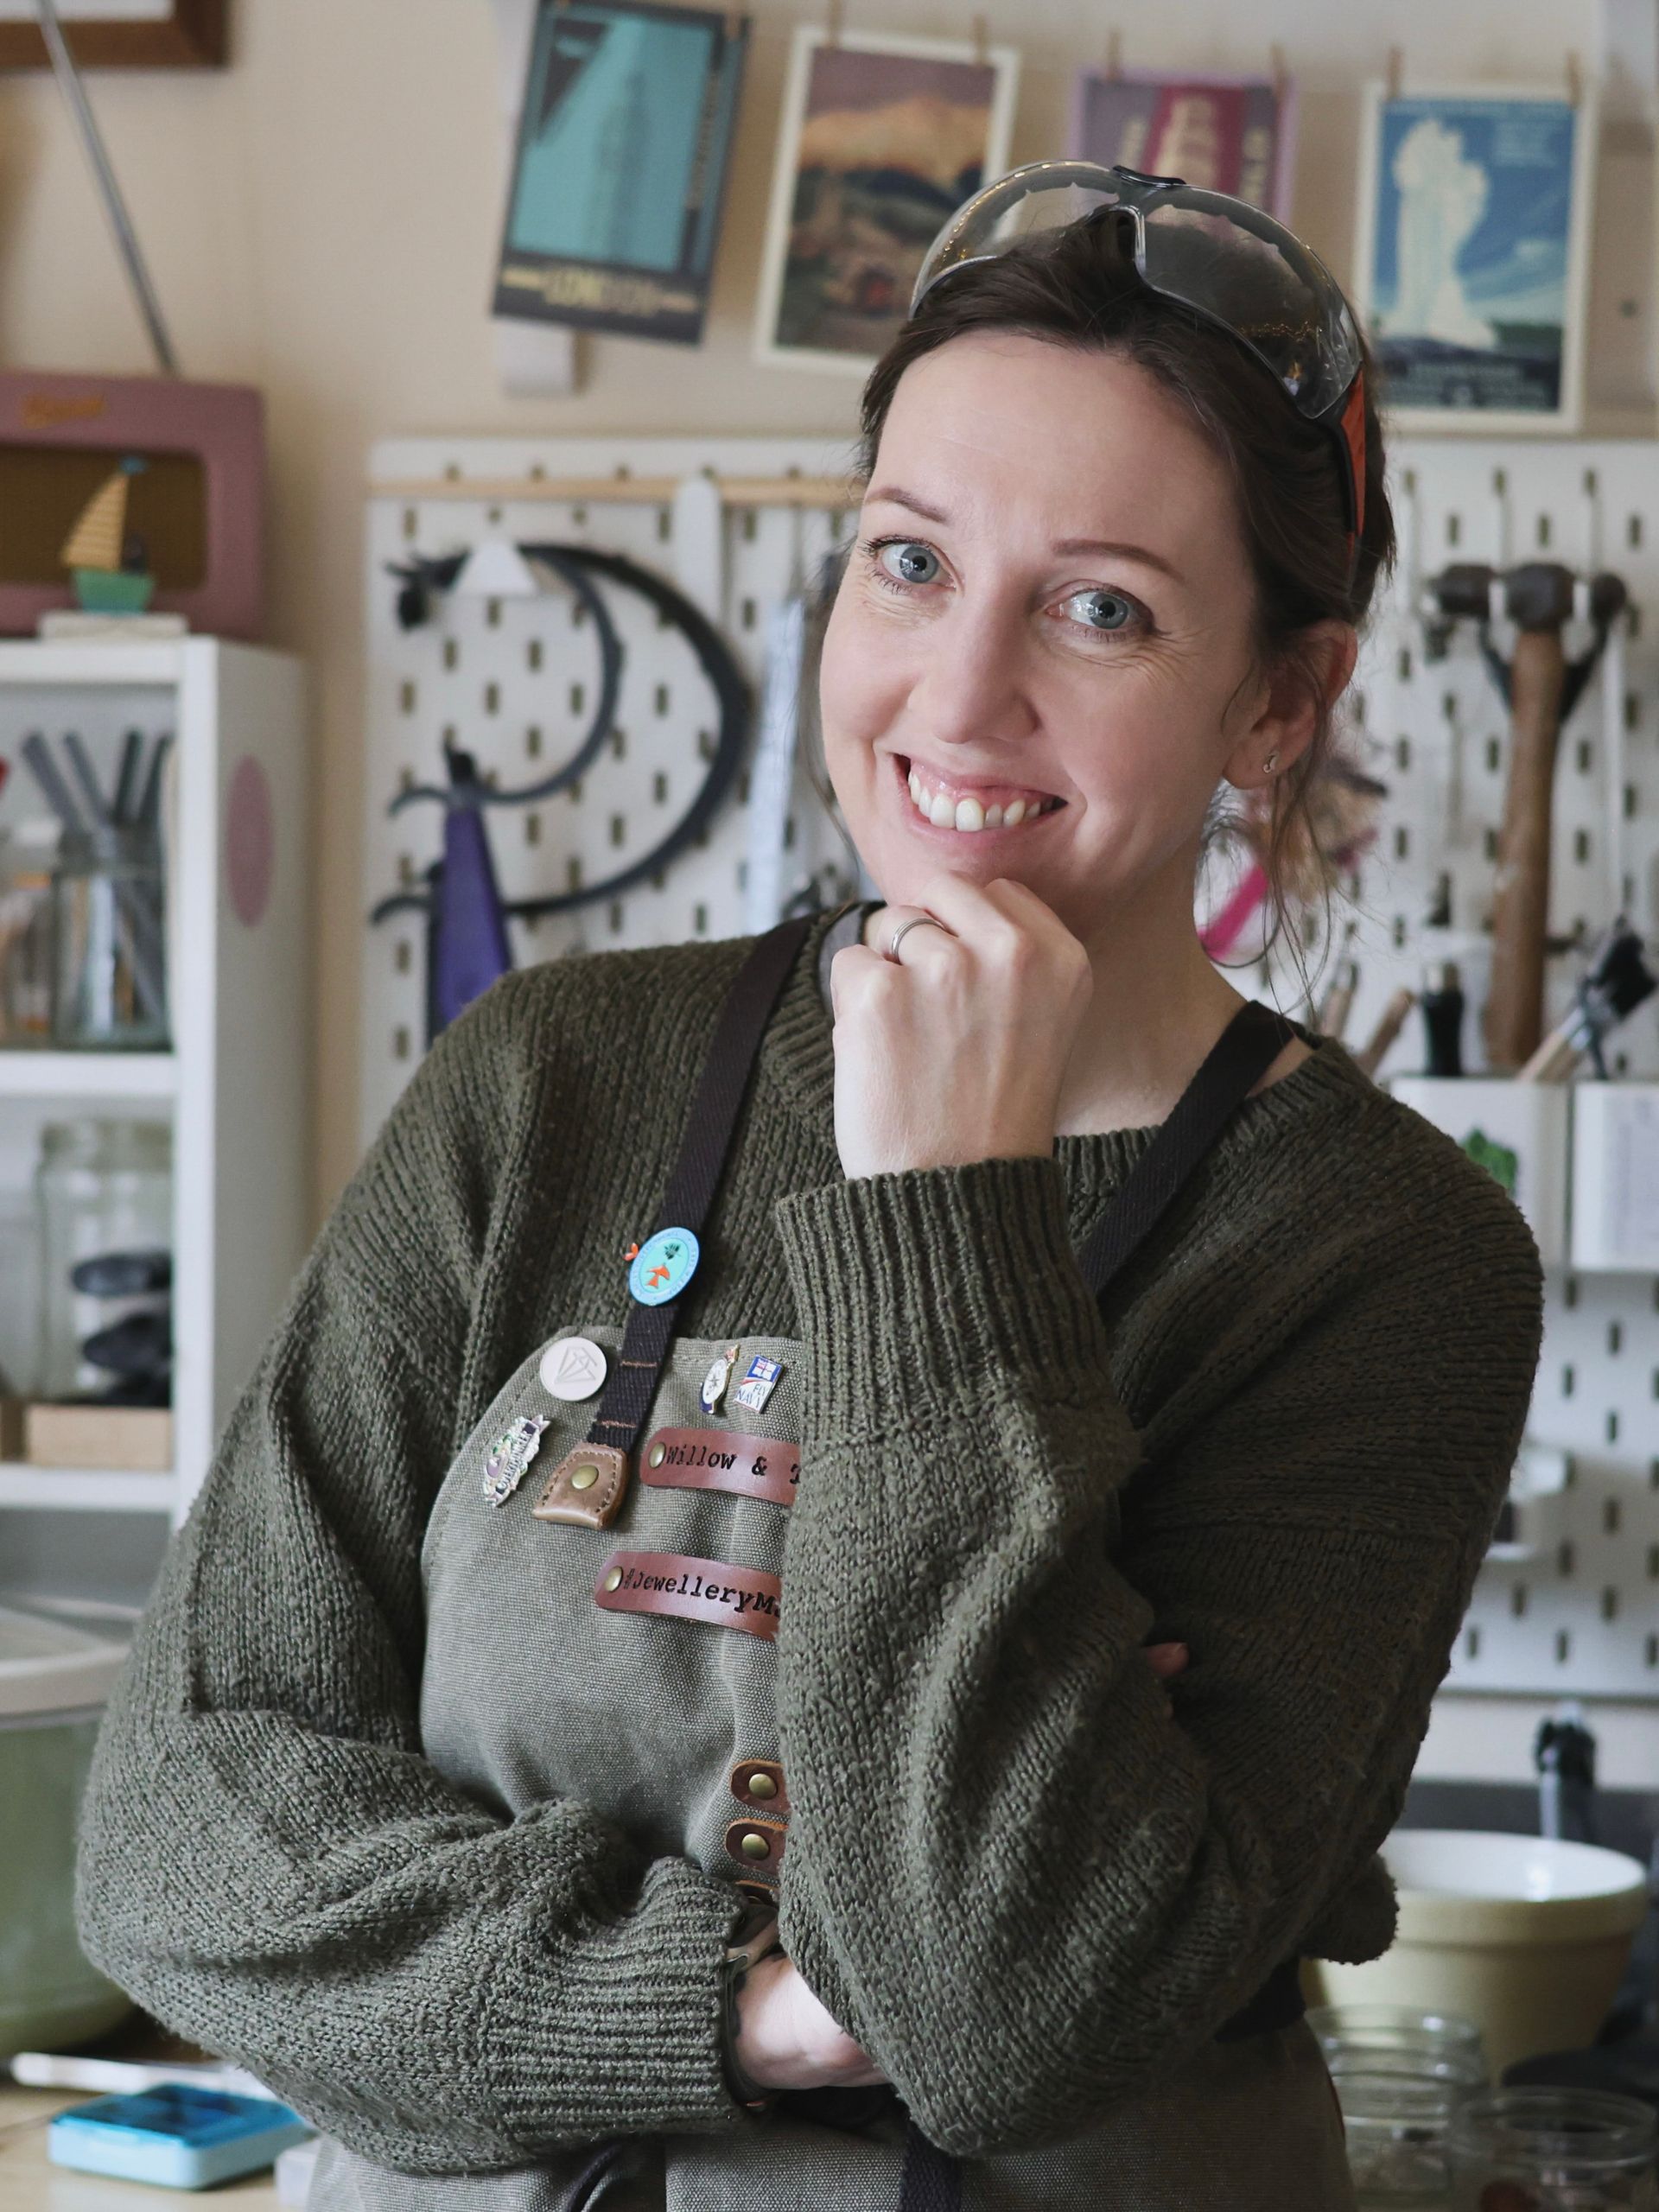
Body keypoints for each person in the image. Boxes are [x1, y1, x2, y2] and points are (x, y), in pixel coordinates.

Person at [77, 165, 1544, 2212]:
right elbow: (174, 1836)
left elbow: (997, 2013)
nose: (957, 697)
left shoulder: (1385, 1256)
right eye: (910, 563)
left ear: (1279, 706)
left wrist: (946, 1198)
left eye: (1100, 605)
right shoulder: (552, 1074)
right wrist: (744, 1998)